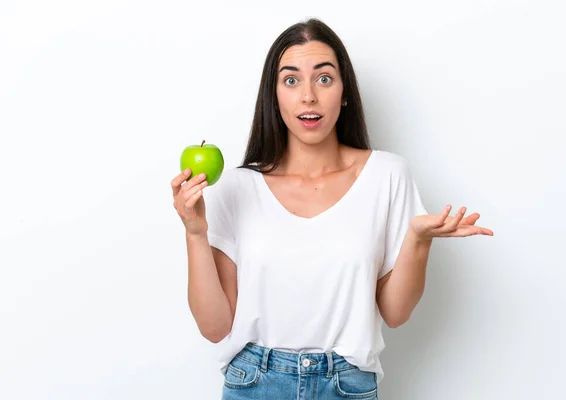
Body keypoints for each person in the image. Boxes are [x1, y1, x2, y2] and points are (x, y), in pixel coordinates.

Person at [171, 18, 493, 400]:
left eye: (324, 78)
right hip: (254, 384)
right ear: (274, 96)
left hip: (347, 386)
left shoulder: (387, 174)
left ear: (344, 93)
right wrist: (195, 232)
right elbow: (214, 326)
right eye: (291, 80)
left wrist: (418, 240)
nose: (308, 96)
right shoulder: (239, 187)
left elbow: (395, 313)